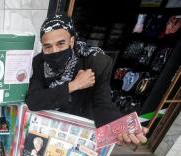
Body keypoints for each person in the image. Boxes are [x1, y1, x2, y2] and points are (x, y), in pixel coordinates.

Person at [26, 14, 148, 146]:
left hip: (77, 134)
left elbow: (102, 104)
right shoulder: (39, 62)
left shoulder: (94, 62)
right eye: (48, 46)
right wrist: (73, 85)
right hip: (45, 128)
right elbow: (33, 100)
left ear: (72, 41)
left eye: (61, 44)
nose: (54, 51)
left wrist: (120, 128)